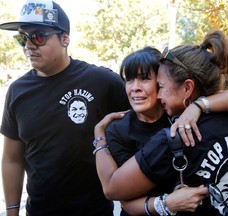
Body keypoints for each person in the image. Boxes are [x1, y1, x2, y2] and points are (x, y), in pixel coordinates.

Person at [94, 30, 228, 215]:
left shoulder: (176, 135)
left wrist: (197, 107)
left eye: (158, 84)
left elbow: (113, 189)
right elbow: (126, 201)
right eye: (129, 80)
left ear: (187, 87)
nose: (136, 87)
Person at [0, 0, 131, 215]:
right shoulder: (17, 91)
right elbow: (12, 159)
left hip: (93, 210)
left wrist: (200, 106)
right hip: (39, 210)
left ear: (65, 38)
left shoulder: (101, 81)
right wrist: (12, 211)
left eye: (38, 36)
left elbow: (147, 115)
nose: (29, 45)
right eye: (23, 37)